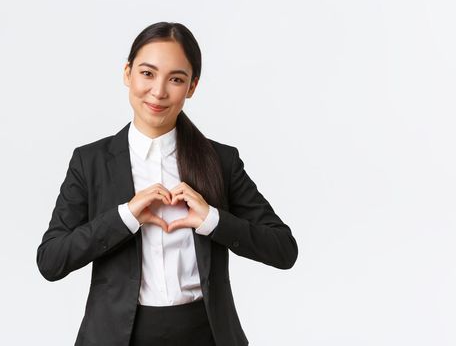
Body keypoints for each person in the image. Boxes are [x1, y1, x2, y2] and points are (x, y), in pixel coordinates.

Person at [36, 21, 298, 346]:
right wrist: (125, 217)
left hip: (207, 335)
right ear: (127, 73)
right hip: (117, 337)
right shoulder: (90, 162)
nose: (159, 91)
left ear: (192, 87)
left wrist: (212, 220)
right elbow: (51, 261)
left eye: (176, 79)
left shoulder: (220, 160)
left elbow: (284, 250)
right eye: (147, 73)